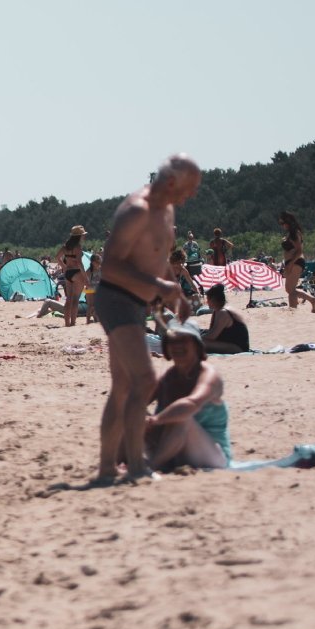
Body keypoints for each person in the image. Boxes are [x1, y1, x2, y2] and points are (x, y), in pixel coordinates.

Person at [96, 154, 201, 483]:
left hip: (137, 302)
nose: (191, 196)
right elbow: (110, 267)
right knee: (144, 381)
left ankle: (107, 468)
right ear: (171, 182)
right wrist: (160, 286)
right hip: (116, 299)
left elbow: (158, 256)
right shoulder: (136, 211)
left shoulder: (167, 210)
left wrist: (175, 294)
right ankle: (136, 465)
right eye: (189, 188)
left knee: (123, 386)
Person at [145, 320, 231, 470]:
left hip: (211, 456)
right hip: (173, 451)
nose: (177, 346)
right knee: (131, 414)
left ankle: (151, 466)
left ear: (197, 345)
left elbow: (192, 403)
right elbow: (138, 402)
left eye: (184, 340)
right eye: (172, 342)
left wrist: (157, 420)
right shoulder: (167, 377)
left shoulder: (209, 375)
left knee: (181, 415)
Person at [279, 211, 315, 312]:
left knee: (291, 290)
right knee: (290, 289)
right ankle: (311, 300)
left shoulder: (295, 233)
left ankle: (295, 309)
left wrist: (290, 264)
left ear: (288, 222)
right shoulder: (291, 233)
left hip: (296, 261)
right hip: (292, 261)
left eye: (283, 223)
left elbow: (299, 251)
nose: (282, 225)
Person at [200, 283, 250, 354]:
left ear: (213, 300)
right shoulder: (218, 311)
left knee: (198, 343)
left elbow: (212, 336)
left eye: (208, 299)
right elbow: (212, 331)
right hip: (229, 343)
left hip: (237, 347)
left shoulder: (223, 312)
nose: (207, 302)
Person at [56, 226, 88, 327]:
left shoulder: (65, 246)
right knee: (75, 299)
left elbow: (57, 257)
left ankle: (67, 323)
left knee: (68, 299)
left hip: (68, 273)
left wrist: (64, 267)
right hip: (77, 272)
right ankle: (73, 323)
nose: (84, 237)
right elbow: (79, 263)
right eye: (83, 235)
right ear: (79, 236)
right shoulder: (77, 247)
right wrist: (86, 277)